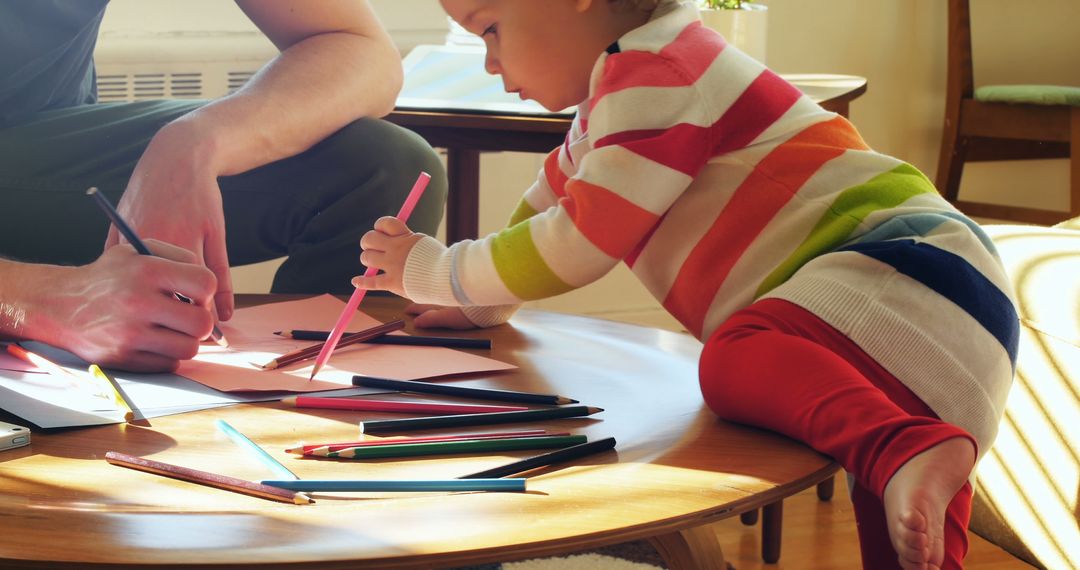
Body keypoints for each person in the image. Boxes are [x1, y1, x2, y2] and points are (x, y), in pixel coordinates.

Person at [353, 1, 1018, 569]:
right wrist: (476, 307)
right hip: (926, 301)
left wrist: (432, 270)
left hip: (900, 271)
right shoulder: (614, 103)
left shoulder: (657, 73)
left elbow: (579, 243)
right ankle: (905, 448)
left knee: (733, 358)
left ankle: (902, 443)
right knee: (913, 539)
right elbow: (538, 226)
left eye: (491, 28)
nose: (490, 63)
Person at [0, 1, 447, 371]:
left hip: (33, 148)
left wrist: (195, 142)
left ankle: (298, 408)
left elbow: (359, 49)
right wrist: (45, 302)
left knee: (382, 165)